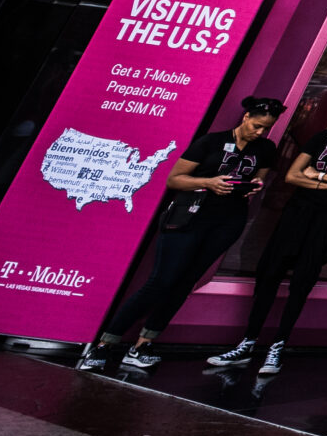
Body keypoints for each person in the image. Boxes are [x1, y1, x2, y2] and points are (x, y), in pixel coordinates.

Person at [77, 96, 284, 372]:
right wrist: (208, 182)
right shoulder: (210, 142)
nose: (260, 132)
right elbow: (175, 179)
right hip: (189, 216)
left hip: (227, 220)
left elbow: (258, 177)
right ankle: (104, 345)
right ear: (246, 117)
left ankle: (142, 345)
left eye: (266, 128)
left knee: (185, 282)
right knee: (161, 281)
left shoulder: (266, 148)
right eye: (257, 126)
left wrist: (254, 185)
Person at [207, 89, 327, 377]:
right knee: (269, 273)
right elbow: (292, 175)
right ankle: (248, 341)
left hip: (325, 219)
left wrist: (318, 176)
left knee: (303, 280)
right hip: (295, 214)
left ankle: (277, 346)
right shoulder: (321, 138)